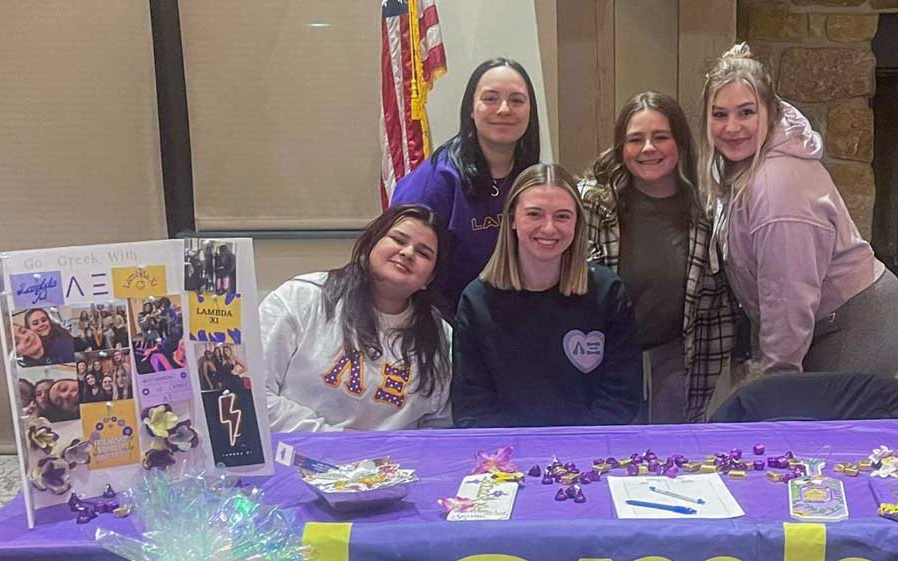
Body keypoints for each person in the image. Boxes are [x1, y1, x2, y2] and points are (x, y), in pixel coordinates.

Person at [698, 44, 898, 383]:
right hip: (828, 319)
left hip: (856, 321)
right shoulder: (740, 168)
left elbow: (788, 294)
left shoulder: (776, 189)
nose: (731, 127)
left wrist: (779, 378)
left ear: (771, 111)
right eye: (720, 114)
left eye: (746, 112)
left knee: (811, 429)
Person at [580, 91, 741, 423]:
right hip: (605, 363)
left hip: (679, 361)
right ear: (621, 149)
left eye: (660, 137)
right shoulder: (593, 207)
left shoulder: (709, 213)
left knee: (670, 460)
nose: (648, 148)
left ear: (679, 143)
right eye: (635, 139)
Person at [452, 163, 642, 427]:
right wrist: (514, 456)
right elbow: (472, 406)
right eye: (534, 214)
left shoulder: (607, 292)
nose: (549, 228)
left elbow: (622, 397)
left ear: (577, 223)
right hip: (507, 459)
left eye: (562, 216)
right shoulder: (477, 301)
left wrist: (571, 452)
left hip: (588, 453)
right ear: (512, 220)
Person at [261, 203, 453, 431]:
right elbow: (253, 393)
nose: (407, 253)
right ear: (372, 243)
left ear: (430, 278)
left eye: (423, 253)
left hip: (394, 464)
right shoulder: (300, 299)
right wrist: (338, 444)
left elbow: (438, 428)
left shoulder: (441, 336)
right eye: (398, 240)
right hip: (296, 457)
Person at [391, 58, 542, 308]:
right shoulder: (434, 181)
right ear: (471, 109)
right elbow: (400, 268)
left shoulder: (532, 177)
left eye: (517, 100)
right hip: (446, 324)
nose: (504, 109)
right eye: (490, 98)